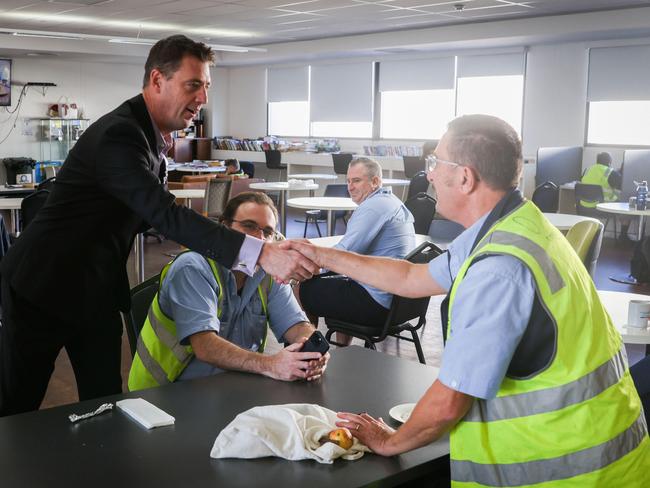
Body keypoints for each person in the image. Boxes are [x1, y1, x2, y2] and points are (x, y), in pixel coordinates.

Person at [285, 115, 649, 486]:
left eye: (435, 163)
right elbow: (411, 277)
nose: (428, 174)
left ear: (464, 177)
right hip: (604, 453)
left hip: (569, 471)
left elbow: (449, 402)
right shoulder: (514, 227)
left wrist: (390, 441)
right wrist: (320, 255)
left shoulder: (499, 268)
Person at [0, 35, 318, 417]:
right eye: (193, 85)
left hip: (96, 288)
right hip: (42, 288)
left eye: (206, 86)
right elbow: (166, 215)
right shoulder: (118, 136)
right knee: (17, 408)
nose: (202, 98)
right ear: (157, 80)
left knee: (104, 403)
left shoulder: (153, 139)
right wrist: (260, 251)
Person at [128, 192, 328, 390]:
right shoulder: (193, 267)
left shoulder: (267, 273)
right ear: (223, 228)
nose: (259, 238)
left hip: (231, 390)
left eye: (267, 232)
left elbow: (295, 324)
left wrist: (311, 347)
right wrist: (272, 364)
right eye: (249, 226)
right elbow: (205, 346)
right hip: (163, 397)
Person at [298, 157, 415, 345]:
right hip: (398, 304)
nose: (350, 187)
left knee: (301, 284)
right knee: (338, 283)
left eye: (357, 180)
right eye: (348, 181)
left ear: (375, 181)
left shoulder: (374, 207)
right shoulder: (391, 202)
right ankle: (343, 351)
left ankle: (306, 349)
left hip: (376, 304)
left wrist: (306, 267)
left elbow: (342, 254)